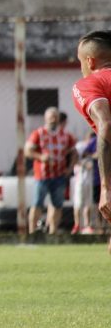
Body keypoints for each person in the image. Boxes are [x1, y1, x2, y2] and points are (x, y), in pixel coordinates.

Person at [72, 30, 111, 251]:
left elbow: (106, 124)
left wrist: (106, 187)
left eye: (80, 62)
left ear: (90, 61)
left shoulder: (88, 84)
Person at [24, 107, 76, 235]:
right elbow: (27, 151)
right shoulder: (38, 134)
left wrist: (70, 168)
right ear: (45, 118)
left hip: (59, 176)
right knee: (37, 203)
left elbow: (74, 153)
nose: (53, 120)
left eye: (55, 117)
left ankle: (53, 232)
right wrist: (41, 157)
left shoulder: (66, 135)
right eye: (50, 117)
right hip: (41, 176)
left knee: (57, 205)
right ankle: (32, 232)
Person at [72, 131, 96, 234]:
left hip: (89, 180)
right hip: (79, 179)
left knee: (88, 203)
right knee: (78, 203)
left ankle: (87, 225)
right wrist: (84, 164)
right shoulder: (80, 146)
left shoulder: (94, 147)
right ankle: (77, 224)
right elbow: (74, 159)